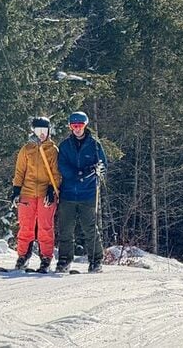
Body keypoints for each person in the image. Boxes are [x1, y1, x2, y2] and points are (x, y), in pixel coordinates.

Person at [56, 111, 107, 274]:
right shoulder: (64, 146)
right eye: (73, 126)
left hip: (88, 193)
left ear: (85, 126)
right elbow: (62, 166)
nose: (77, 129)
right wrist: (78, 174)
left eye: (80, 126)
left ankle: (96, 260)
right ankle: (64, 260)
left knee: (89, 227)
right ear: (70, 127)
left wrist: (99, 171)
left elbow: (103, 164)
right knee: (65, 228)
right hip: (68, 193)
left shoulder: (94, 145)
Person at [8, 117, 61, 273]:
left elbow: (56, 173)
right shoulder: (26, 149)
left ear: (49, 131)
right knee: (26, 226)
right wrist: (16, 190)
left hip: (46, 193)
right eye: (38, 131)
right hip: (28, 192)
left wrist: (52, 189)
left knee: (45, 227)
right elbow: (19, 172)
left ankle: (46, 258)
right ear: (33, 131)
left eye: (44, 131)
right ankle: (23, 256)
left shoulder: (52, 150)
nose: (41, 134)